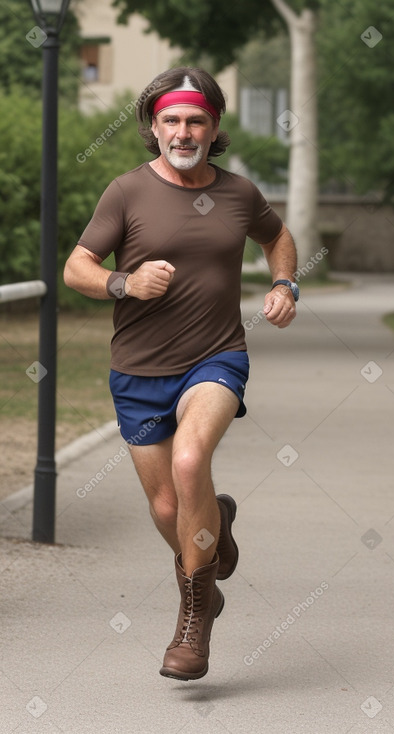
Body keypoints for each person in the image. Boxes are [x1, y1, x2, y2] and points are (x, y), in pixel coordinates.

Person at [64, 66, 298, 681]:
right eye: (171, 119)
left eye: (196, 119)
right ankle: (213, 535)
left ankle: (194, 623)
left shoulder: (240, 193)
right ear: (154, 125)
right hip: (138, 371)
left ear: (214, 125)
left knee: (189, 463)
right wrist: (125, 282)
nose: (183, 130)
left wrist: (285, 284)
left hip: (216, 357)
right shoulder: (126, 193)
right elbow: (76, 267)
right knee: (169, 506)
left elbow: (279, 238)